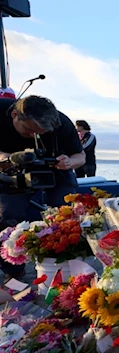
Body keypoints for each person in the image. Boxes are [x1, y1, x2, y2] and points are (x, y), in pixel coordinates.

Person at [0, 95, 85, 278]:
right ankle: (14, 270)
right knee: (8, 216)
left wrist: (70, 162)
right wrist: (8, 158)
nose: (34, 136)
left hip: (56, 171)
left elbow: (81, 156)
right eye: (29, 131)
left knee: (66, 216)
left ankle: (66, 265)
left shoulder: (62, 122)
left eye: (41, 133)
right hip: (11, 170)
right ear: (15, 114)